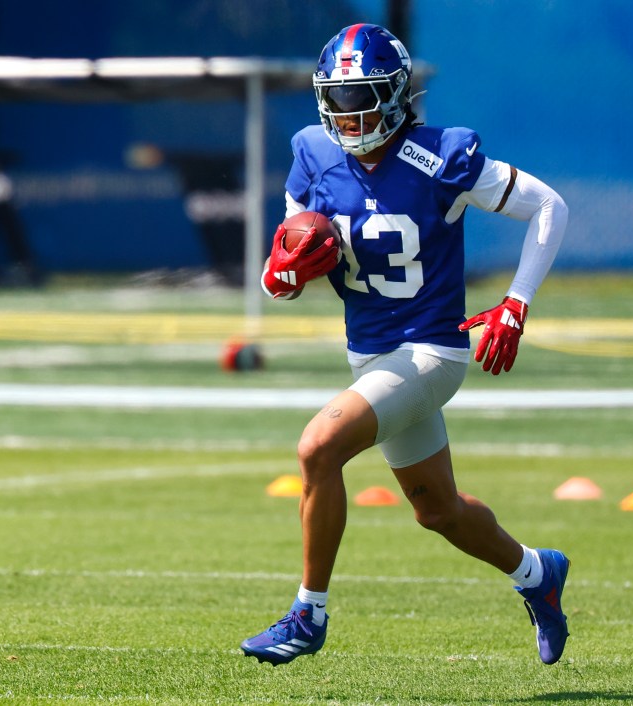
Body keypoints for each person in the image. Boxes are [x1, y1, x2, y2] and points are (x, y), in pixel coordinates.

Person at [240, 23, 571, 667]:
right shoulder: (313, 152)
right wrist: (282, 273)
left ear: (393, 95)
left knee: (317, 447)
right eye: (336, 97)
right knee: (438, 510)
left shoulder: (440, 155)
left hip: (429, 354)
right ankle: (537, 574)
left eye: (360, 95)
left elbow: (549, 206)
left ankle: (309, 613)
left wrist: (517, 301)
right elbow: (287, 253)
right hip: (370, 354)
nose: (347, 112)